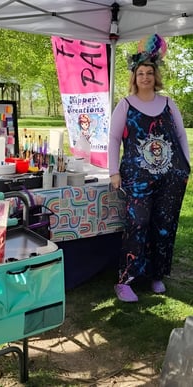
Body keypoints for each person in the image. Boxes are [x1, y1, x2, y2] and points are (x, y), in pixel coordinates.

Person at [109, 34, 191, 302]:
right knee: (138, 223)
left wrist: (186, 167)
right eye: (140, 73)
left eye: (149, 72)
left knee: (163, 225)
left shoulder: (168, 104)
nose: (145, 77)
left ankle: (157, 275)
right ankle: (125, 281)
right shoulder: (125, 105)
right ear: (134, 77)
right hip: (137, 178)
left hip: (169, 178)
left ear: (156, 76)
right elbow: (112, 138)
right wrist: (114, 171)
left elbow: (180, 136)